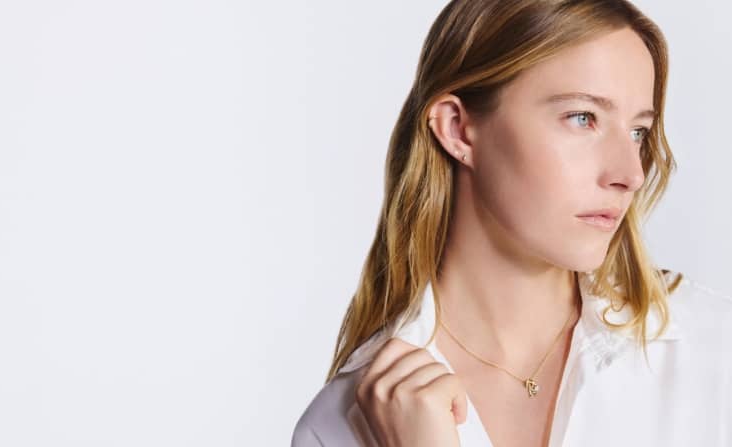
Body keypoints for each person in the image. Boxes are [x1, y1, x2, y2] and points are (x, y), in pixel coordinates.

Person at [291, 1, 732, 446]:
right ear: (459, 129)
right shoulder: (343, 424)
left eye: (638, 131)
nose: (630, 174)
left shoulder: (715, 354)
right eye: (583, 118)